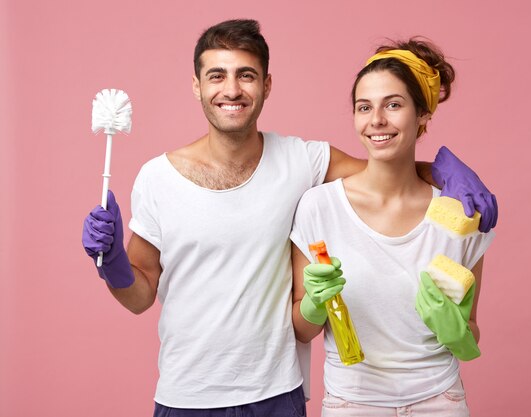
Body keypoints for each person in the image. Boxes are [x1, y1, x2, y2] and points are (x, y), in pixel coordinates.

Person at [81, 20, 497, 416]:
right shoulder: (158, 178)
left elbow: (382, 170)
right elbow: (140, 297)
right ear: (196, 85)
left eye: (246, 74)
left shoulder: (302, 159)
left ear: (266, 85)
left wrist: (446, 169)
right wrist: (113, 263)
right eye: (216, 75)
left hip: (278, 394)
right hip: (186, 394)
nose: (231, 89)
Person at [290, 38, 496, 416]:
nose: (377, 120)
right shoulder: (319, 207)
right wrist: (316, 304)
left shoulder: (462, 216)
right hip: (351, 402)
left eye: (394, 105)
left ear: (422, 115)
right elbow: (302, 331)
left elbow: (472, 334)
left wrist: (457, 332)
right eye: (364, 107)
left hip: (441, 401)